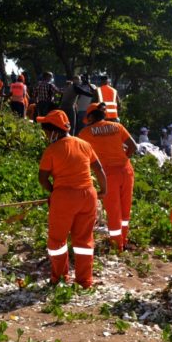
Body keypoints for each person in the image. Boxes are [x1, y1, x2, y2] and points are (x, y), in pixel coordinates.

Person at [37, 110, 107, 288]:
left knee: (57, 241)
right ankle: (84, 281)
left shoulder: (52, 150)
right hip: (88, 195)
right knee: (84, 240)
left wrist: (54, 192)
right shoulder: (84, 144)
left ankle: (60, 278)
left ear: (54, 130)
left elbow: (42, 178)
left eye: (46, 131)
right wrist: (103, 190)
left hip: (65, 197)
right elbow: (98, 169)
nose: (45, 135)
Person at [78, 103, 138, 252]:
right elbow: (133, 147)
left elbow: (81, 156)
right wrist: (123, 158)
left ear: (91, 116)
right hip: (126, 170)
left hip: (108, 175)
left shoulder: (85, 133)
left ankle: (117, 246)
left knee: (113, 212)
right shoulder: (117, 126)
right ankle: (124, 240)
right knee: (125, 210)